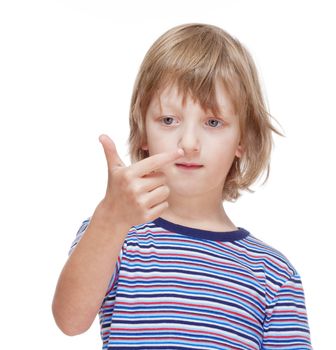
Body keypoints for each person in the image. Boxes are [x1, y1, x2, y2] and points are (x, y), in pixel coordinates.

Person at [52, 23, 312, 349]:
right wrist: (110, 217)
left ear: (242, 139)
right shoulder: (116, 236)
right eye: (169, 120)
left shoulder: (274, 276)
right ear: (143, 131)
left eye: (213, 122)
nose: (189, 143)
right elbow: (70, 320)